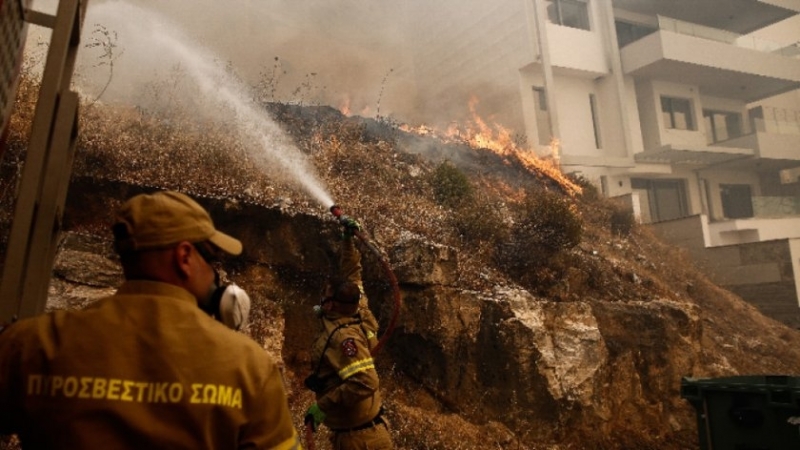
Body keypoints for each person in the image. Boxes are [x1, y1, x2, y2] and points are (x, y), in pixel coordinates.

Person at [0, 190, 302, 450]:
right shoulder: (248, 367)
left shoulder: (29, 344)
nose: (214, 275)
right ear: (184, 257)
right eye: (210, 259)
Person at [304, 216, 393, 450]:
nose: (321, 298)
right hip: (362, 434)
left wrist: (323, 406)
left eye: (325, 294)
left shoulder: (345, 339)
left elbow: (366, 380)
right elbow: (352, 271)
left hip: (360, 441)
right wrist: (347, 240)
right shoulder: (357, 305)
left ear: (331, 304)